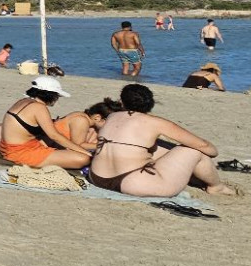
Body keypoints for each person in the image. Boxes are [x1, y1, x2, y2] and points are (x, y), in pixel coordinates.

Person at [87, 84, 236, 197]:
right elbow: (204, 146)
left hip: (97, 177)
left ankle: (193, 175)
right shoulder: (155, 122)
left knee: (160, 147)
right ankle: (216, 186)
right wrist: (212, 153)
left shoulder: (112, 117)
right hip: (133, 183)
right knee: (193, 150)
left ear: (122, 102)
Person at [0, 76, 92, 169]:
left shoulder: (24, 101)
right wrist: (84, 151)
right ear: (51, 95)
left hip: (7, 148)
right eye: (57, 96)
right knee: (83, 159)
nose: (57, 99)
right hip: (20, 152)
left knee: (65, 148)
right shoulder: (39, 108)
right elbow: (54, 135)